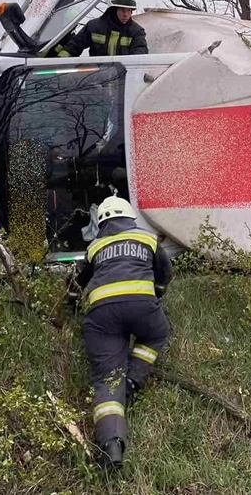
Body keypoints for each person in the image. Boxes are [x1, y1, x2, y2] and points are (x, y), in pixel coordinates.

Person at [68, 196, 171, 470]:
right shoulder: (148, 239)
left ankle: (111, 446)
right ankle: (133, 381)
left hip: (102, 318)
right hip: (142, 309)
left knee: (106, 380)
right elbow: (165, 272)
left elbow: (77, 283)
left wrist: (69, 302)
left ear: (100, 222)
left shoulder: (94, 246)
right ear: (130, 217)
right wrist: (157, 295)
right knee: (156, 335)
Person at [52, 0, 149, 57]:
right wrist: (58, 62)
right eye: (122, 10)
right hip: (97, 78)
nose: (126, 15)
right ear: (113, 10)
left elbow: (140, 54)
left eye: (129, 11)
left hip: (124, 79)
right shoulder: (94, 27)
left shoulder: (137, 32)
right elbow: (74, 46)